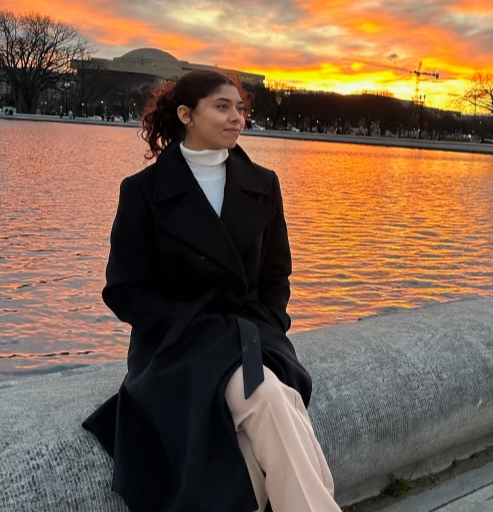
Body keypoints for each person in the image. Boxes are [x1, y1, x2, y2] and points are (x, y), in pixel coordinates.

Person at [82, 69, 340, 512]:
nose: (237, 117)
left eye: (240, 108)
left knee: (271, 406)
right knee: (272, 399)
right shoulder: (143, 192)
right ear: (186, 114)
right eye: (222, 107)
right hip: (178, 344)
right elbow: (123, 289)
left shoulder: (265, 184)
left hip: (251, 334)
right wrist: (187, 326)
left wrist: (268, 327)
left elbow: (276, 278)